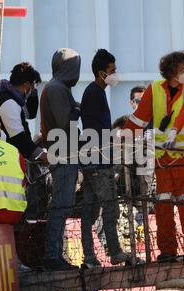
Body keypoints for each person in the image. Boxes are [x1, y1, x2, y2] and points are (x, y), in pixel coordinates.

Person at [124, 51, 184, 262]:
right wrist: (121, 140)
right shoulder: (154, 90)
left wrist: (174, 130)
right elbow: (139, 120)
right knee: (163, 207)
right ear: (173, 73)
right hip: (164, 160)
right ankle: (167, 251)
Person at [79, 49, 131, 268]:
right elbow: (97, 131)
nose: (115, 73)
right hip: (99, 162)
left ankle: (90, 257)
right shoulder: (95, 94)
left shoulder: (93, 92)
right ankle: (116, 252)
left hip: (92, 161)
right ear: (102, 73)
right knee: (110, 208)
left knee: (89, 211)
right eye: (112, 70)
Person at [40, 48, 82, 271]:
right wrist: (78, 108)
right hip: (63, 153)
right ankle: (52, 255)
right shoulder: (56, 89)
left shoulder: (58, 87)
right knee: (60, 204)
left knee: (63, 204)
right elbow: (66, 121)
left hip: (66, 152)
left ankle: (55, 254)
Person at [0, 62, 46, 162]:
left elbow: (30, 113)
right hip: (9, 159)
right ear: (26, 84)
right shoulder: (9, 102)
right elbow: (19, 138)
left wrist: (33, 94)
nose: (33, 89)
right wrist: (41, 154)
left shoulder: (12, 97)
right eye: (33, 86)